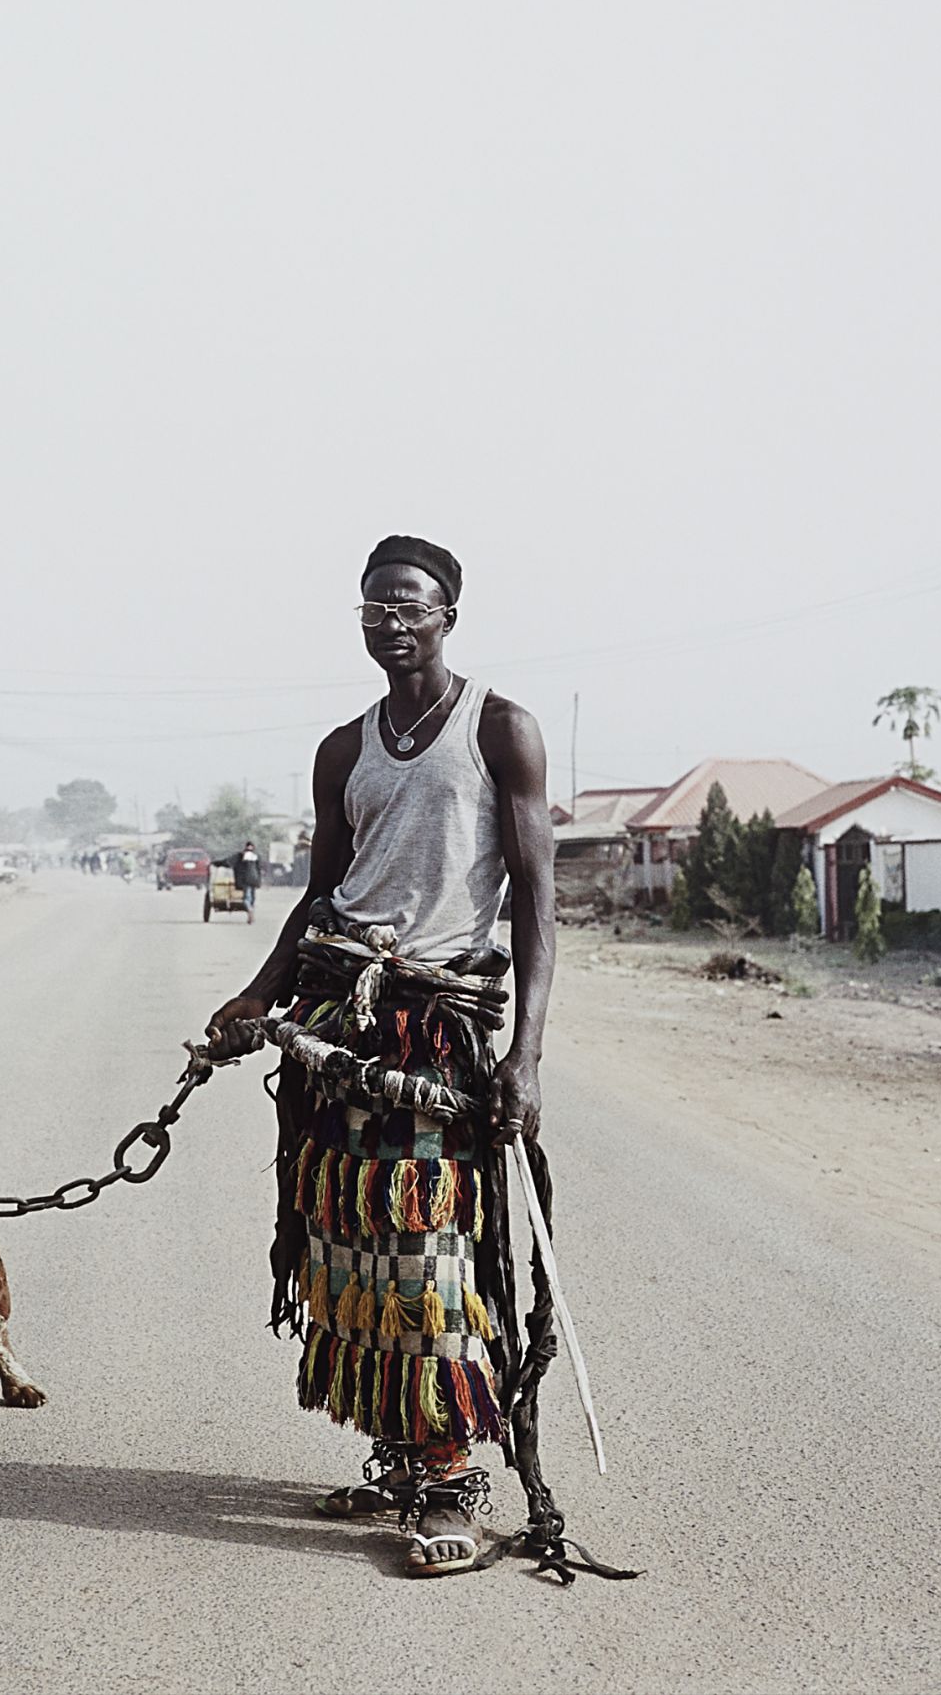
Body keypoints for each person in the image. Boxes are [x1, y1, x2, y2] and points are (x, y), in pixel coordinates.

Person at [205, 533, 555, 1579]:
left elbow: (538, 901)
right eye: (371, 606)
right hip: (335, 1021)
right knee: (347, 1249)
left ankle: (450, 1474)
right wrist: (256, 996)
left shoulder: (501, 729)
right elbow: (321, 896)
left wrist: (524, 1059)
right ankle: (399, 1453)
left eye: (408, 603)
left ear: (448, 614)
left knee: (431, 1252)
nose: (388, 620)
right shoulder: (338, 749)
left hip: (436, 1029)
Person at [223, 840, 264, 922]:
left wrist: (217, 863)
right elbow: (259, 869)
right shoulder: (256, 856)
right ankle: (251, 911)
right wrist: (259, 881)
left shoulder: (240, 855)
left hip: (246, 880)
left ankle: (250, 910)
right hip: (255, 880)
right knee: (252, 898)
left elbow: (228, 862)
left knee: (246, 898)